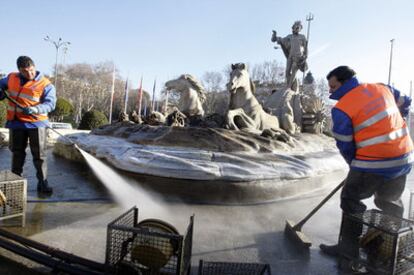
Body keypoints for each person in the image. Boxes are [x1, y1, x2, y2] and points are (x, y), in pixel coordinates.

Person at [320, 66, 413, 271]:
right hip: (403, 158)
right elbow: (406, 101)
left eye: (333, 86)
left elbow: (345, 144)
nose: (331, 92)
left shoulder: (342, 108)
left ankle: (348, 251)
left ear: (345, 83)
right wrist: (401, 116)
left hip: (373, 162)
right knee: (388, 201)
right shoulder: (382, 88)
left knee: (351, 199)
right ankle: (389, 249)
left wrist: (355, 165)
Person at [0, 56, 56, 195]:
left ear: (34, 67)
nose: (29, 74)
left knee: (40, 155)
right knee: (17, 153)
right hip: (17, 123)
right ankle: (15, 182)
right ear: (19, 70)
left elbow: (51, 104)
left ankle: (43, 183)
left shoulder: (45, 84)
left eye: (31, 70)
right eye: (25, 71)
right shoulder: (11, 78)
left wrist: (36, 109)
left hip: (36, 124)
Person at [271, 21, 308, 90]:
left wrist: (305, 56)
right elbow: (281, 40)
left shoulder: (302, 37)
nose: (297, 28)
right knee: (287, 72)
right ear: (293, 28)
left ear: (300, 29)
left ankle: (289, 87)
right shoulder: (289, 37)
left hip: (298, 57)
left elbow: (306, 48)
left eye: (298, 27)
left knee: (294, 69)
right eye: (296, 27)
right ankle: (290, 85)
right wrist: (275, 36)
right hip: (290, 56)